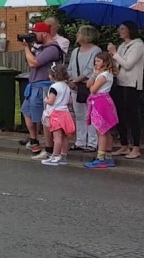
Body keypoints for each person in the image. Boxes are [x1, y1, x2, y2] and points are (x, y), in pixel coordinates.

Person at [21, 22, 64, 159]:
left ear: (44, 33)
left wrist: (26, 49)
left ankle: (49, 148)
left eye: (36, 33)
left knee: (44, 118)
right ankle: (34, 140)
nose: (34, 36)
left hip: (43, 86)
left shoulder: (52, 49)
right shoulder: (41, 47)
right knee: (26, 111)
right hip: (33, 85)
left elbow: (34, 63)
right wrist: (30, 48)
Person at [109, 21, 144, 160]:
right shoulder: (122, 45)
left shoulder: (138, 45)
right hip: (120, 82)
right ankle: (124, 144)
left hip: (131, 84)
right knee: (120, 115)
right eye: (120, 28)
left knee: (132, 115)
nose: (120, 31)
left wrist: (115, 53)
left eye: (123, 28)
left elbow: (128, 64)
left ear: (130, 30)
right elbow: (119, 64)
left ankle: (136, 147)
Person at [84, 51, 120, 170]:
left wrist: (95, 77)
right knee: (106, 130)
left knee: (101, 131)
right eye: (95, 61)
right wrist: (94, 75)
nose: (96, 63)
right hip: (103, 101)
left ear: (105, 62)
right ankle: (108, 156)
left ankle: (100, 158)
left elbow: (92, 89)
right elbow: (89, 84)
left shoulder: (104, 75)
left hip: (100, 102)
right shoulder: (104, 74)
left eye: (98, 61)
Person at [67, 26, 99, 153]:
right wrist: (71, 80)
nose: (77, 35)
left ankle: (92, 142)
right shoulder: (75, 51)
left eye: (79, 33)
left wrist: (76, 80)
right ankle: (80, 141)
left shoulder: (95, 50)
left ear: (86, 35)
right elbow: (70, 68)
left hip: (88, 86)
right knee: (79, 115)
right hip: (76, 87)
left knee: (90, 114)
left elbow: (91, 69)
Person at [41, 64, 75, 166]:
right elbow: (70, 101)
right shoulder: (66, 87)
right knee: (64, 137)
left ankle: (55, 156)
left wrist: (45, 99)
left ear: (53, 75)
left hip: (56, 114)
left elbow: (51, 101)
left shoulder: (54, 87)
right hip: (65, 113)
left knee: (57, 137)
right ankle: (63, 156)